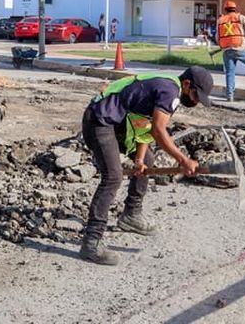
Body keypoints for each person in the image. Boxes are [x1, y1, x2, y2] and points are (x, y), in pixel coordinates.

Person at [79, 66, 213, 265]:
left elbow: (146, 127)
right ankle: (91, 243)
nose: (195, 102)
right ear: (187, 85)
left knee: (148, 158)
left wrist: (139, 161)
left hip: (117, 123)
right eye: (195, 96)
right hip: (100, 121)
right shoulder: (170, 92)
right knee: (113, 177)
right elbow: (159, 131)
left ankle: (131, 215)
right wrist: (183, 160)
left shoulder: (167, 88)